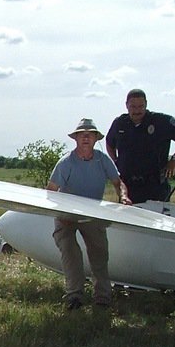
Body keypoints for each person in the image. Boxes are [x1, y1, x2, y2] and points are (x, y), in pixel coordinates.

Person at [47, 118, 130, 310]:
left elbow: (118, 182)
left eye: (90, 134)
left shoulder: (102, 159)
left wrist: (123, 197)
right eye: (81, 135)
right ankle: (74, 296)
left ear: (95, 138)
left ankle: (102, 298)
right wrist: (62, 215)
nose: (85, 137)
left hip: (92, 214)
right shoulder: (66, 162)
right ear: (75, 138)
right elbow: (51, 191)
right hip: (66, 215)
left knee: (99, 253)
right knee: (70, 251)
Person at [105, 88, 175, 204]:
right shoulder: (119, 123)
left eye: (140, 106)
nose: (137, 110)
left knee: (157, 221)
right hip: (128, 187)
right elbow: (109, 143)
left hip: (155, 187)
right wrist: (116, 161)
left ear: (146, 104)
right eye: (133, 107)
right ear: (127, 105)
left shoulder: (160, 121)